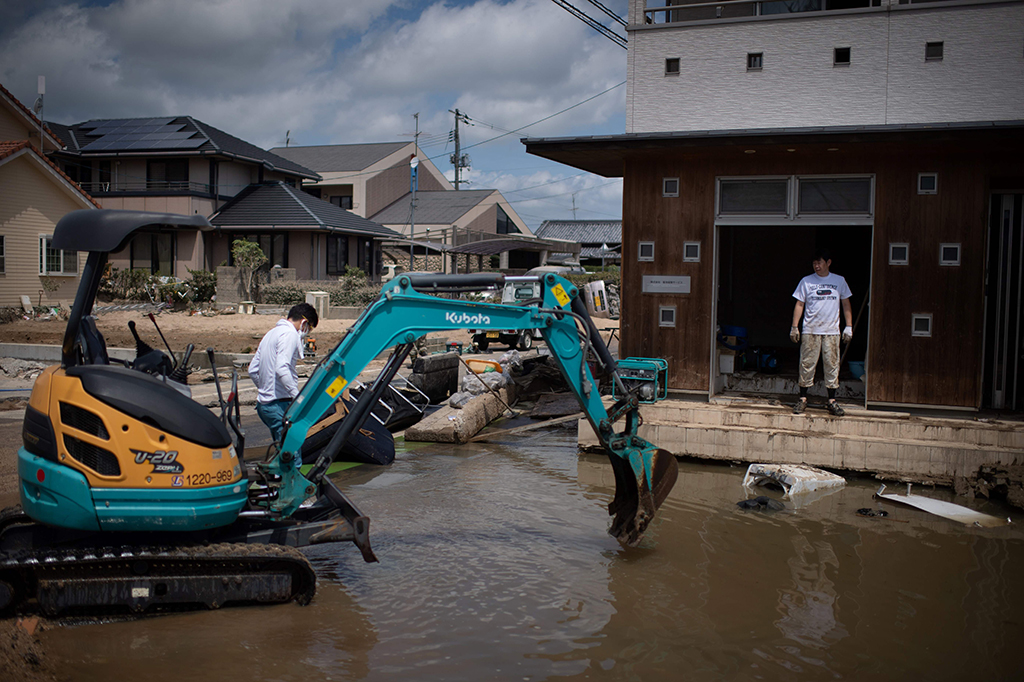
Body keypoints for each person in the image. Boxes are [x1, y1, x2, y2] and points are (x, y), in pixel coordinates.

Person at [790, 249, 853, 416]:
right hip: (811, 330)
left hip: (831, 331)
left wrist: (849, 326)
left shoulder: (839, 281)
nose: (816, 266)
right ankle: (803, 398)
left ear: (828, 263)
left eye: (819, 262)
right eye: (814, 263)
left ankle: (832, 400)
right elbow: (799, 304)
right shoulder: (806, 281)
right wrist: (794, 326)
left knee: (832, 364)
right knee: (806, 364)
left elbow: (846, 304)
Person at [248, 303, 318, 444]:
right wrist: (297, 398)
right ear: (304, 322)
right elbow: (282, 368)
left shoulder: (271, 333)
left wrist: (265, 389)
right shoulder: (290, 334)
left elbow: (252, 370)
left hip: (264, 406)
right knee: (291, 455)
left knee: (281, 452)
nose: (307, 332)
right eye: (309, 328)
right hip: (279, 404)